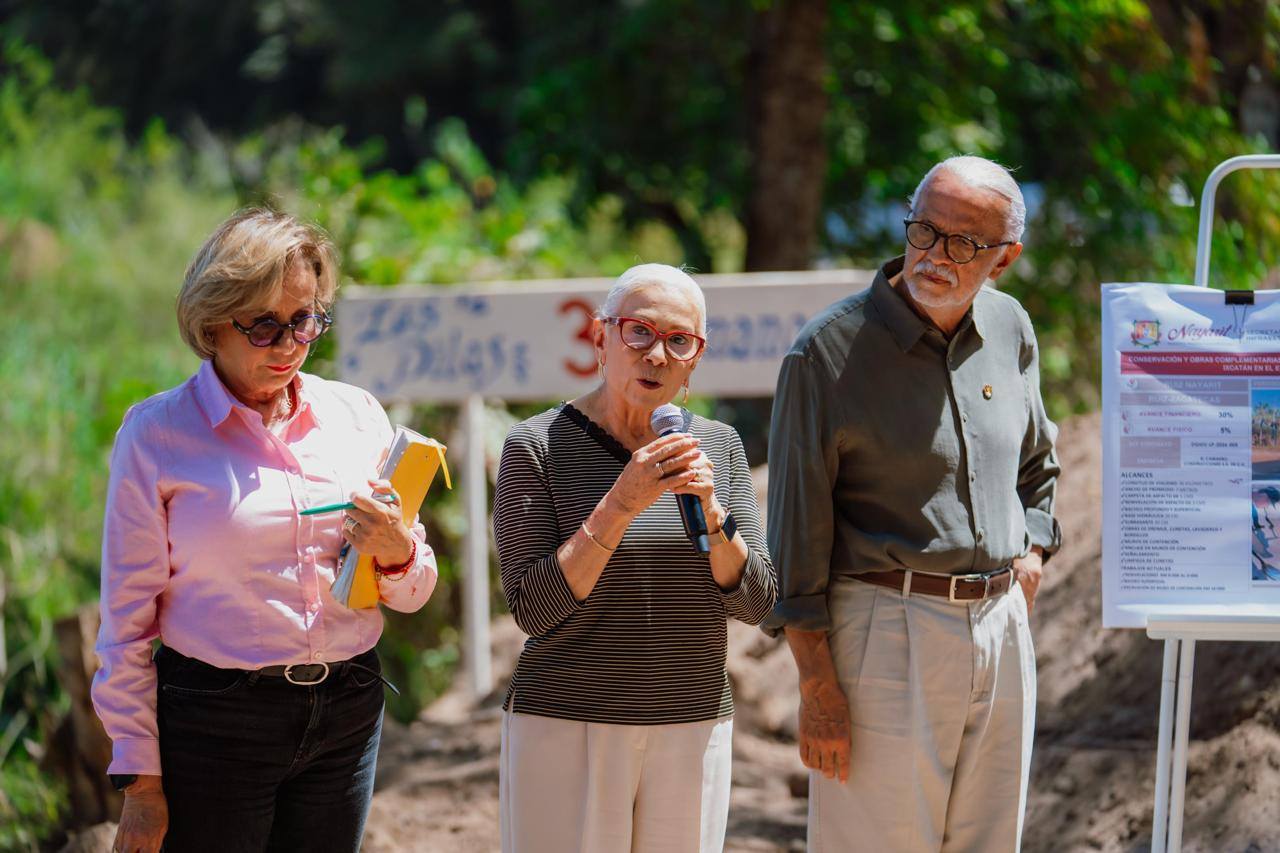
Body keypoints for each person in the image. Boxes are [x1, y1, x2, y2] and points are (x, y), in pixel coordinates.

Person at [92, 208, 438, 853]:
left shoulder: (356, 414)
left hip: (349, 708)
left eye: (304, 320)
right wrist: (141, 787)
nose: (288, 346)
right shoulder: (157, 434)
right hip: (215, 721)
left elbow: (413, 591)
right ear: (211, 324)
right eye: (264, 326)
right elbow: (126, 625)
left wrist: (397, 550)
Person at [764, 156, 1062, 852]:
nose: (935, 255)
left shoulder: (1012, 328)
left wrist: (1035, 549)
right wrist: (817, 687)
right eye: (925, 230)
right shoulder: (824, 356)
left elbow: (1038, 462)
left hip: (1002, 628)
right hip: (883, 630)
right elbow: (795, 541)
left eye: (964, 243)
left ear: (1006, 258)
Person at [492, 263, 777, 853]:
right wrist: (621, 503)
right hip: (568, 723)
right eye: (639, 332)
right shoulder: (535, 445)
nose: (657, 355)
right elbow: (532, 608)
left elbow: (757, 601)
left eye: (679, 341)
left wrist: (714, 517)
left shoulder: (719, 446)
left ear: (695, 358)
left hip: (693, 723)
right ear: (600, 338)